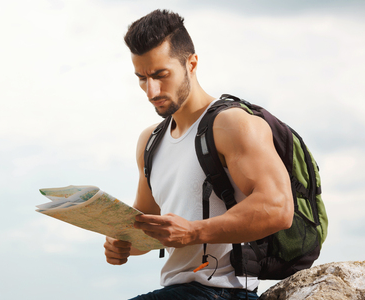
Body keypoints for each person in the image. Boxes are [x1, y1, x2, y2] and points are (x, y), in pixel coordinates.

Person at [104, 9, 293, 300]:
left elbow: (278, 208)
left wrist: (194, 232)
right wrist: (124, 243)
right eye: (141, 78)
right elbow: (147, 224)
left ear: (191, 63)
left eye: (160, 75)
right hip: (176, 291)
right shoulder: (150, 141)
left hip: (224, 292)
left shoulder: (232, 124)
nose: (151, 90)